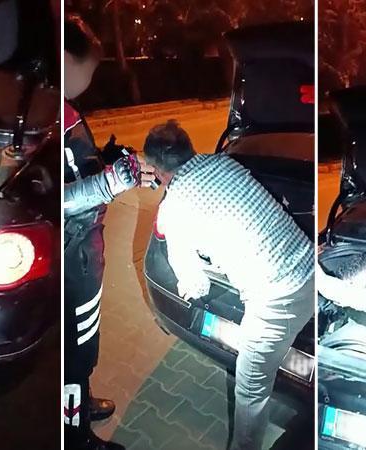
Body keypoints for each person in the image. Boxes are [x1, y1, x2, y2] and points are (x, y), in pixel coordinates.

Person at [147, 120, 314, 450]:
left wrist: (191, 285)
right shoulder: (225, 162)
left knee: (250, 387)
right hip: (309, 267)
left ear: (158, 171)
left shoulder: (174, 207)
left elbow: (195, 284)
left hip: (281, 299)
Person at [62, 16, 155, 450]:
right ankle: (74, 435)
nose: (91, 79)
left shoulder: (63, 108)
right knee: (75, 349)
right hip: (70, 255)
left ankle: (77, 404)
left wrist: (112, 158)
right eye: (90, 69)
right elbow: (57, 197)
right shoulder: (48, 115)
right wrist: (112, 181)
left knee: (84, 342)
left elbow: (77, 167)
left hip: (84, 248)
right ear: (66, 59)